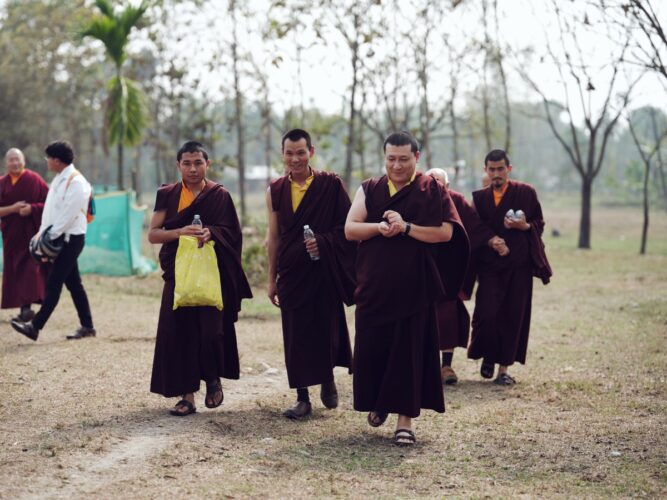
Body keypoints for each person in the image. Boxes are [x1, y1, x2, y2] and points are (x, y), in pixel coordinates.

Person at [345, 132, 469, 446]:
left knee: (408, 355)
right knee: (373, 350)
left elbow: (445, 234)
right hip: (375, 285)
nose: (396, 165)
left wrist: (407, 228)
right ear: (383, 157)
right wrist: (380, 228)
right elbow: (350, 228)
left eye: (403, 159)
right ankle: (380, 401)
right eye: (391, 159)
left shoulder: (431, 189)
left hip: (415, 287)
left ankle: (405, 421)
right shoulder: (370, 188)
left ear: (416, 157)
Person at [148, 141, 252, 416]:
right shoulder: (168, 194)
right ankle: (187, 397)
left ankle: (213, 379)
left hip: (210, 274)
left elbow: (233, 233)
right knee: (179, 333)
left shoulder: (219, 195)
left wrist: (211, 233)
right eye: (187, 163)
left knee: (211, 331)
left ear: (208, 164)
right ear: (178, 165)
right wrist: (180, 232)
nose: (193, 169)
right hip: (179, 274)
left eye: (198, 163)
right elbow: (154, 234)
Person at [266, 128, 356, 420]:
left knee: (325, 327)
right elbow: (274, 237)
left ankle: (327, 378)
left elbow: (349, 228)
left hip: (322, 268)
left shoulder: (330, 185)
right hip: (291, 271)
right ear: (283, 154)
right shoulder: (276, 190)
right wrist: (271, 278)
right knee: (295, 334)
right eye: (289, 153)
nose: (295, 158)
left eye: (300, 152)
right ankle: (302, 397)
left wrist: (324, 241)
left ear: (311, 152)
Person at [468, 149, 552, 385]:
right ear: (486, 170)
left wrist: (525, 227)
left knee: (513, 316)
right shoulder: (480, 198)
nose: (496, 174)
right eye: (491, 169)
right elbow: (475, 227)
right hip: (491, 267)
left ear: (509, 169)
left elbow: (539, 223)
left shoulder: (526, 193)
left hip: (519, 266)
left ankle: (503, 369)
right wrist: (491, 240)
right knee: (487, 313)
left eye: (500, 169)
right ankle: (487, 355)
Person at [425, 168, 508, 385]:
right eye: (431, 182)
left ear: (448, 186)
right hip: (421, 268)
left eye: (440, 183)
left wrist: (491, 240)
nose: (435, 187)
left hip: (450, 270)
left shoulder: (456, 201)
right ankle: (422, 365)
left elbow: (475, 226)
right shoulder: (416, 200)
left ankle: (446, 365)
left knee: (448, 315)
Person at [10, 141, 95, 342]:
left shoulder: (77, 182)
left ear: (57, 160)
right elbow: (50, 211)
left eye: (48, 158)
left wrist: (50, 238)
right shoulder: (59, 179)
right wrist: (41, 234)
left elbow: (67, 216)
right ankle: (88, 326)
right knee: (74, 284)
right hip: (58, 237)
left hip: (70, 239)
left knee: (54, 283)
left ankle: (35, 326)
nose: (47, 161)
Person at [0, 148, 49, 322]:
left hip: (31, 235)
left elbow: (49, 203)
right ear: (6, 163)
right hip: (11, 237)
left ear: (24, 161)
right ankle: (24, 309)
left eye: (18, 159)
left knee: (29, 271)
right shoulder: (2, 183)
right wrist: (13, 208)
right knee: (14, 272)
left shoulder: (34, 180)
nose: (15, 163)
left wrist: (32, 209)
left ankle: (26, 309)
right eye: (11, 160)